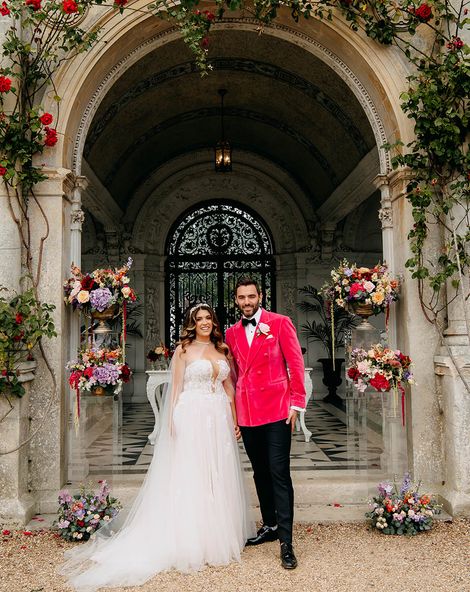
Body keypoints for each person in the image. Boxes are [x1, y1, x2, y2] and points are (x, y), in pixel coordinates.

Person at [61, 304, 253, 591]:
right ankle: (192, 536)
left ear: (214, 322)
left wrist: (236, 420)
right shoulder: (184, 351)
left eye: (208, 318)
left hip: (219, 418)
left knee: (217, 474)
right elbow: (175, 389)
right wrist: (172, 423)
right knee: (193, 472)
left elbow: (229, 387)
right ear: (191, 323)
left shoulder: (223, 350)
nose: (203, 322)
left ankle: (218, 533)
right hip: (191, 415)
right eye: (198, 319)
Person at [225, 277, 306, 570]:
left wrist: (296, 403)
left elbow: (295, 364)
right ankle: (270, 525)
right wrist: (232, 415)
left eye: (251, 296)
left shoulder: (280, 323)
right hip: (247, 414)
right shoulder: (231, 333)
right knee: (260, 472)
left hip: (277, 411)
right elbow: (232, 375)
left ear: (260, 296)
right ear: (236, 300)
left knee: (279, 472)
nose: (247, 301)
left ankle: (286, 542)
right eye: (241, 297)